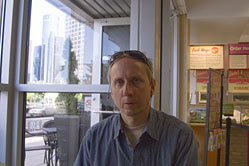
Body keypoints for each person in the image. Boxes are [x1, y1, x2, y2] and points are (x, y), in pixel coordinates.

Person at [74, 50, 200, 166]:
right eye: (119, 82)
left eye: (135, 80)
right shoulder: (95, 138)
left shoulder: (180, 136)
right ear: (111, 91)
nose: (127, 91)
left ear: (152, 86)